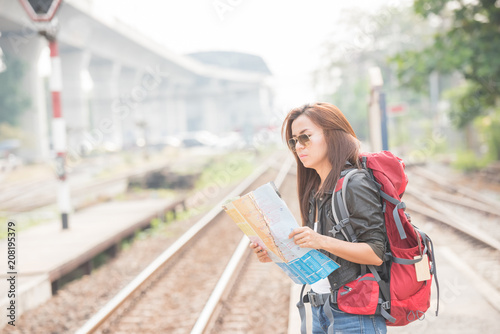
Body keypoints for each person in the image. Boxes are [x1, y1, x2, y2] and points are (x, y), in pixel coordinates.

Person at [250, 102, 387, 334]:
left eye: (306, 137)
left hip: (354, 314)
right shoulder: (316, 190)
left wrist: (320, 240)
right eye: (294, 141)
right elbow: (319, 256)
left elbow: (376, 253)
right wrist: (275, 253)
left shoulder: (355, 183)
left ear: (333, 135)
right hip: (320, 309)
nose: (298, 147)